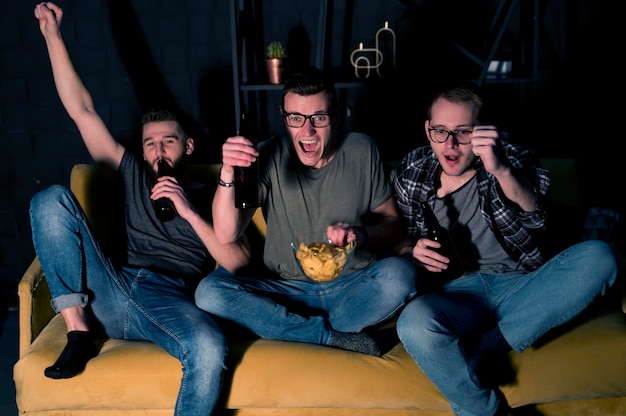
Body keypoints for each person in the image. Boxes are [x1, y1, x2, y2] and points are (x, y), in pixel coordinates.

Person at [32, 3, 250, 415]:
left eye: (167, 141)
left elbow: (238, 263)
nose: (156, 151)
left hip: (171, 300)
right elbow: (82, 110)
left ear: (187, 147)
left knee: (209, 345)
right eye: (149, 143)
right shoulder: (131, 171)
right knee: (50, 199)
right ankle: (78, 333)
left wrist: (187, 209)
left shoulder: (214, 193)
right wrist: (53, 37)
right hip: (110, 289)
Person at [393, 81, 618, 415]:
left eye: (463, 132)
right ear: (428, 131)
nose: (450, 144)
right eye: (440, 131)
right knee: (412, 322)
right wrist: (410, 248)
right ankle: (487, 410)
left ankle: (491, 344)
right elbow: (399, 239)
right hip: (457, 294)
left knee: (601, 256)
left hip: (523, 286)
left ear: (482, 132)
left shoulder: (510, 157)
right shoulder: (413, 170)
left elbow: (538, 217)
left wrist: (500, 169)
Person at [195, 65, 417, 356]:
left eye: (319, 118)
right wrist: (227, 171)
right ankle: (329, 338)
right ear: (284, 117)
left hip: (351, 288)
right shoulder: (268, 154)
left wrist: (361, 234)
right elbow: (226, 232)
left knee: (400, 275)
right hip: (285, 291)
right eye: (296, 118)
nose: (307, 130)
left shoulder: (363, 149)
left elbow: (393, 226)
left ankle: (293, 330)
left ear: (335, 116)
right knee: (209, 294)